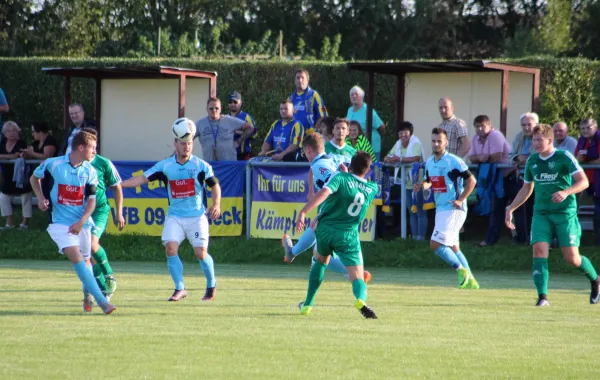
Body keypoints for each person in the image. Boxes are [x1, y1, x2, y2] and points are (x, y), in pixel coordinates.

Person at [121, 124, 221, 302]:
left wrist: (216, 204)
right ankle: (180, 288)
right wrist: (119, 185)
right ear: (175, 144)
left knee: (200, 254)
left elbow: (215, 185)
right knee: (170, 249)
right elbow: (142, 179)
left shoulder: (200, 166)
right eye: (183, 143)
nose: (187, 146)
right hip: (175, 217)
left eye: (189, 143)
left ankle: (211, 285)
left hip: (196, 217)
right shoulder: (165, 166)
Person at [505, 124, 600, 306]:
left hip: (565, 213)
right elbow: (527, 188)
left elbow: (584, 181)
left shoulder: (563, 157)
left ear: (550, 140)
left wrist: (566, 192)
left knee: (572, 258)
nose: (536, 143)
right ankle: (542, 297)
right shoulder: (532, 161)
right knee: (539, 250)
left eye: (540, 139)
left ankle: (596, 279)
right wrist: (511, 208)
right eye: (534, 140)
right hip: (541, 213)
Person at [30, 130, 116, 314]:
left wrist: (82, 221)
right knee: (76, 257)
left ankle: (88, 295)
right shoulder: (54, 164)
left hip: (82, 223)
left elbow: (92, 201)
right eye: (92, 148)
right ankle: (104, 303)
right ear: (81, 147)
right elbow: (34, 178)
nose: (94, 151)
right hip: (59, 223)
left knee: (86, 261)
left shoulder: (90, 171)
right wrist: (40, 197)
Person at [295, 152, 379, 319]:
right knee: (357, 277)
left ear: (350, 165)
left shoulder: (340, 178)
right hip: (348, 234)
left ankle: (307, 304)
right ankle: (361, 299)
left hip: (326, 230)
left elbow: (324, 193)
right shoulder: (372, 189)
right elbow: (355, 186)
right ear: (368, 170)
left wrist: (304, 211)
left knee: (319, 261)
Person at [282, 133, 371, 283]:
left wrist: (320, 212)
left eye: (304, 152)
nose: (305, 155)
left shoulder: (320, 166)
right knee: (316, 235)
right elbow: (327, 175)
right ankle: (292, 252)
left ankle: (356, 273)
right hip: (341, 210)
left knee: (321, 255)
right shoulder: (328, 159)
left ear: (309, 150)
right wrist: (311, 191)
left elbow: (331, 189)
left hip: (336, 211)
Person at [413, 128, 479, 289]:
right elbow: (431, 181)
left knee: (435, 244)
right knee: (453, 246)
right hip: (441, 208)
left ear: (446, 143)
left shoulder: (453, 161)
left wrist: (461, 199)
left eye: (439, 141)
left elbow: (472, 181)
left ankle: (460, 270)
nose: (436, 144)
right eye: (434, 141)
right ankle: (471, 281)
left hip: (453, 208)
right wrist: (422, 185)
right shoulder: (429, 162)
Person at [76, 128, 124, 299]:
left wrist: (119, 212)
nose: (94, 149)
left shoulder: (103, 163)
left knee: (92, 244)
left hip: (99, 210)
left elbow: (117, 186)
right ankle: (101, 289)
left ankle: (109, 277)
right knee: (87, 254)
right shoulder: (74, 163)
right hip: (81, 212)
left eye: (95, 145)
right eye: (91, 145)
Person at [468, 115, 511, 247]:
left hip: (507, 177)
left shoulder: (496, 135)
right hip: (490, 178)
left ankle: (519, 239)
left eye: (483, 126)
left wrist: (480, 158)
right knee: (495, 208)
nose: (480, 129)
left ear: (489, 126)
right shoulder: (475, 138)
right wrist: (482, 157)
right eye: (477, 126)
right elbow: (471, 158)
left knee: (507, 208)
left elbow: (496, 157)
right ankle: (491, 239)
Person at [384, 121, 427, 240]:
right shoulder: (398, 143)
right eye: (400, 132)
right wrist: (388, 159)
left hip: (417, 180)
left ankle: (421, 237)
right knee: (410, 209)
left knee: (419, 209)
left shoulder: (416, 142)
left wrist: (400, 159)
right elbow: (388, 156)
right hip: (405, 181)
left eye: (405, 131)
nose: (403, 134)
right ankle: (413, 237)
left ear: (410, 133)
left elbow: (416, 158)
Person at [507, 112, 538, 244]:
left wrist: (524, 158)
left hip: (538, 179)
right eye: (523, 125)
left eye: (529, 125)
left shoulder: (540, 135)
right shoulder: (519, 136)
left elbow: (538, 155)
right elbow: (510, 156)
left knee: (534, 209)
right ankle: (521, 237)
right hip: (520, 177)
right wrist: (517, 158)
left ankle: (535, 237)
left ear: (536, 124)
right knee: (519, 207)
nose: (526, 128)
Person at [195, 97, 253, 161]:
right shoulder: (200, 124)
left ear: (220, 109)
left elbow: (250, 128)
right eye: (211, 108)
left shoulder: (229, 120)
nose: (214, 110)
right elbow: (188, 138)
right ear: (207, 109)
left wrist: (238, 141)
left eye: (216, 108)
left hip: (229, 166)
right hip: (209, 166)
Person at [0, 121, 32, 229]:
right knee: (3, 197)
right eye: (8, 131)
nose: (11, 133)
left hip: (21, 175)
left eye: (14, 130)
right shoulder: (2, 143)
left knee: (25, 196)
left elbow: (17, 155)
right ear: (4, 133)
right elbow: (12, 156)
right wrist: (9, 156)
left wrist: (4, 156)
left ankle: (24, 223)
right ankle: (9, 223)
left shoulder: (21, 143)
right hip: (7, 175)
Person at [574, 118, 600, 245]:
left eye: (588, 127)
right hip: (587, 180)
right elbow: (576, 158)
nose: (585, 130)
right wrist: (580, 160)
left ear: (595, 127)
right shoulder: (581, 140)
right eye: (582, 128)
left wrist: (587, 163)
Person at [346, 86, 386, 160]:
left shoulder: (368, 110)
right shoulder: (350, 110)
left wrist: (379, 138)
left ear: (362, 97)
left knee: (372, 170)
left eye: (356, 94)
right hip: (355, 148)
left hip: (371, 147)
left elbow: (382, 127)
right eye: (352, 94)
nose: (354, 96)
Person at [289, 68, 327, 136]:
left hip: (309, 137)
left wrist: (314, 130)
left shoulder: (313, 95)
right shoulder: (291, 97)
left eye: (302, 78)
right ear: (295, 81)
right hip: (294, 136)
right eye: (298, 78)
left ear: (307, 80)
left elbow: (323, 116)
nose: (300, 80)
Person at [228, 91, 257, 161]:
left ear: (240, 103)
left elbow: (255, 134)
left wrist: (237, 132)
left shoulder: (246, 117)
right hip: (228, 155)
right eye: (230, 102)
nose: (232, 104)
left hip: (243, 155)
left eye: (235, 102)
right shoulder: (225, 118)